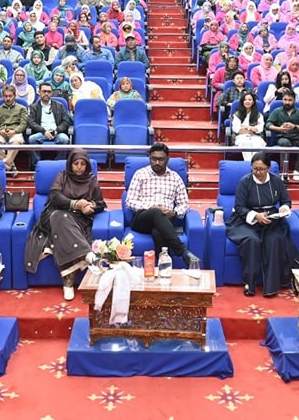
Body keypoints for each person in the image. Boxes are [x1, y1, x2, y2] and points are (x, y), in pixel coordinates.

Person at [24, 149, 107, 300]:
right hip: (53, 214)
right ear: (70, 164)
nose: (79, 167)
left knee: (62, 224)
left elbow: (101, 204)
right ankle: (87, 255)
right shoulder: (62, 176)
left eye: (83, 164)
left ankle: (68, 282)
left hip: (78, 219)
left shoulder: (91, 180)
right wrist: (76, 204)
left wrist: (90, 205)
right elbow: (55, 197)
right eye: (76, 163)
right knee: (58, 216)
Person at [227, 152, 299, 297]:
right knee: (252, 241)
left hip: (270, 219)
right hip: (246, 219)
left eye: (262, 169)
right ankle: (250, 283)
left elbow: (286, 201)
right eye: (255, 169)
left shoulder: (276, 181)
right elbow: (239, 207)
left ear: (269, 168)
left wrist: (284, 209)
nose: (258, 172)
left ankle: (272, 286)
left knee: (274, 240)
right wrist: (255, 216)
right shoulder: (244, 182)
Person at [125, 143, 199, 265]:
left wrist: (174, 212)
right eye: (154, 159)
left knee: (158, 232)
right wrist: (149, 208)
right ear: (150, 158)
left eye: (161, 159)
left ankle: (163, 267)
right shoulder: (140, 174)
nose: (157, 162)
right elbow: (130, 201)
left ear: (167, 159)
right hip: (142, 219)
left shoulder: (175, 178)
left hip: (165, 220)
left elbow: (184, 204)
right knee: (155, 212)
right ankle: (183, 251)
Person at [27, 81, 72, 166]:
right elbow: (31, 122)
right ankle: (37, 164)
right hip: (42, 133)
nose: (46, 94)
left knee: (65, 139)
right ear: (39, 92)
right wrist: (43, 131)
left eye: (49, 92)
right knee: (31, 139)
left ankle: (59, 164)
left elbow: (66, 121)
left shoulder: (59, 105)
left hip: (56, 133)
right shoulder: (34, 107)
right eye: (44, 91)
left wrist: (56, 131)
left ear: (52, 93)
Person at [0, 84, 27, 174]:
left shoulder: (22, 108)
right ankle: (10, 167)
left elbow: (23, 124)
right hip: (1, 132)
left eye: (10, 96)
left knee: (17, 141)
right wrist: (0, 131)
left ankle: (5, 165)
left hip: (15, 132)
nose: (8, 98)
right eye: (6, 96)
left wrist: (14, 131)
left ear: (15, 96)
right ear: (3, 97)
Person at [232, 91, 265, 162]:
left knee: (258, 143)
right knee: (246, 143)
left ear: (253, 102)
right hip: (241, 137)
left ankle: (256, 163)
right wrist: (253, 129)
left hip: (256, 136)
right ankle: (248, 164)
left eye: (250, 100)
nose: (247, 101)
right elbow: (237, 129)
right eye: (245, 100)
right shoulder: (237, 114)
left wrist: (248, 128)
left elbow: (260, 129)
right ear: (242, 102)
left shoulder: (258, 115)